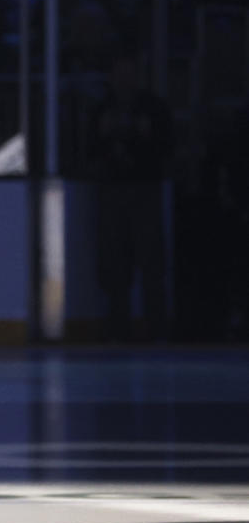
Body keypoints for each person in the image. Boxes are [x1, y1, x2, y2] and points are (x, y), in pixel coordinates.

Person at [89, 52, 174, 342]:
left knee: (152, 263)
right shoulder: (102, 109)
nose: (124, 79)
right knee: (115, 265)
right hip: (113, 191)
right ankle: (118, 329)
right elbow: (90, 150)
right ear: (111, 77)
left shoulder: (154, 108)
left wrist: (143, 139)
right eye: (119, 73)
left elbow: (166, 148)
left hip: (145, 190)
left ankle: (157, 328)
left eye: (130, 72)